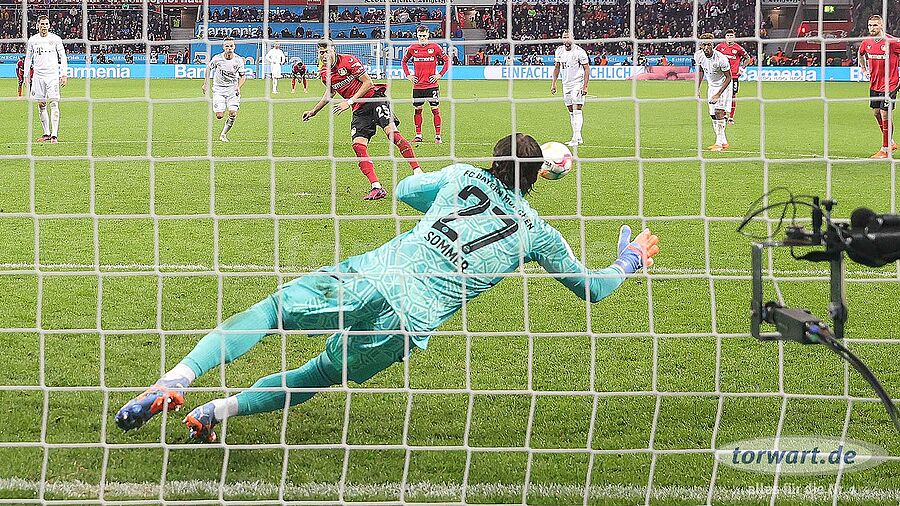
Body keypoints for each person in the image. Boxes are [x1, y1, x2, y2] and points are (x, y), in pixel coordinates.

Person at [112, 133, 661, 443]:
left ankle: (177, 379)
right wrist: (628, 260)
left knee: (272, 312)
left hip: (375, 274)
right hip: (409, 322)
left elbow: (401, 189)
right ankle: (217, 413)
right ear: (539, 176)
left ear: (494, 160)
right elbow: (593, 290)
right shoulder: (538, 233)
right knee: (318, 375)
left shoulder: (463, 176)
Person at [302, 40, 421, 201]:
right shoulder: (324, 73)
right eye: (321, 52)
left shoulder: (348, 60)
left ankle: (418, 172)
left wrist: (349, 101)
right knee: (358, 145)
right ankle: (376, 187)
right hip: (359, 110)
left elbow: (368, 83)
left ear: (333, 50)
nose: (324, 55)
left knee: (392, 134)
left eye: (327, 51)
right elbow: (330, 93)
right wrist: (314, 111)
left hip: (374, 99)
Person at [859, 15, 900, 159]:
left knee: (884, 114)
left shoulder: (892, 42)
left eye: (875, 25)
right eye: (870, 25)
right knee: (876, 113)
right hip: (875, 84)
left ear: (882, 25)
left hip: (890, 84)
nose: (872, 28)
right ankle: (891, 142)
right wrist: (864, 69)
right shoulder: (866, 42)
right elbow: (861, 54)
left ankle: (885, 149)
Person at [401, 25, 450, 144]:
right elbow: (404, 61)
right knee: (418, 110)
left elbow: (447, 60)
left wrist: (440, 75)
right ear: (417, 35)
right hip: (418, 86)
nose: (422, 38)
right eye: (420, 36)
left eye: (424, 35)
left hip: (432, 86)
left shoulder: (435, 47)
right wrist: (408, 75)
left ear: (428, 35)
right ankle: (418, 135)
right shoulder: (412, 48)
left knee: (435, 110)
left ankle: (438, 136)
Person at [24, 15, 67, 143]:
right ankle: (46, 133)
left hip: (52, 76)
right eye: (42, 24)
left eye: (46, 24)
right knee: (41, 105)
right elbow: (28, 58)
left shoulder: (56, 39)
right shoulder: (33, 40)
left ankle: (54, 135)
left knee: (54, 103)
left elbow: (63, 56)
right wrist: (26, 75)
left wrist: (63, 74)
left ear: (49, 25)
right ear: (38, 25)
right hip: (38, 76)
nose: (44, 26)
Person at [202, 37, 246, 143]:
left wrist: (238, 86)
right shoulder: (217, 58)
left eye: (231, 46)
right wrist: (205, 83)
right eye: (227, 46)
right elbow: (208, 69)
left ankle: (223, 134)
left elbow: (243, 76)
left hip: (232, 89)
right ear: (223, 47)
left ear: (234, 47)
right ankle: (220, 108)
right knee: (219, 115)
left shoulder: (238, 60)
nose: (229, 48)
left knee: (233, 113)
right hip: (219, 89)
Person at [550, 30, 589, 147]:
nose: (566, 39)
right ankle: (578, 137)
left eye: (568, 37)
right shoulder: (559, 51)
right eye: (564, 37)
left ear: (573, 38)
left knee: (577, 110)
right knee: (571, 111)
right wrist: (554, 83)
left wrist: (585, 86)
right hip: (565, 84)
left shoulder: (579, 52)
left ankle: (575, 138)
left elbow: (586, 69)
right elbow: (557, 67)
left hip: (577, 83)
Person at [695, 33, 732, 151]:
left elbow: (729, 77)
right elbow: (700, 71)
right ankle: (724, 141)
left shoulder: (721, 59)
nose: (706, 47)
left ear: (713, 45)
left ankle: (718, 143)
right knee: (712, 115)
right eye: (704, 45)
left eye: (709, 45)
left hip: (724, 86)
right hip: (711, 86)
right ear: (701, 45)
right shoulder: (698, 56)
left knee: (719, 112)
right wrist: (697, 88)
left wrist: (718, 94)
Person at [715, 29, 751, 124]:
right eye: (728, 36)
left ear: (734, 37)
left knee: (733, 95)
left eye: (731, 36)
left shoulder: (738, 48)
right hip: (722, 75)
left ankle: (730, 117)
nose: (730, 37)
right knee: (721, 94)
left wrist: (742, 68)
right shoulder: (720, 47)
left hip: (733, 76)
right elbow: (713, 56)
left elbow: (748, 58)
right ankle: (722, 114)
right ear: (725, 37)